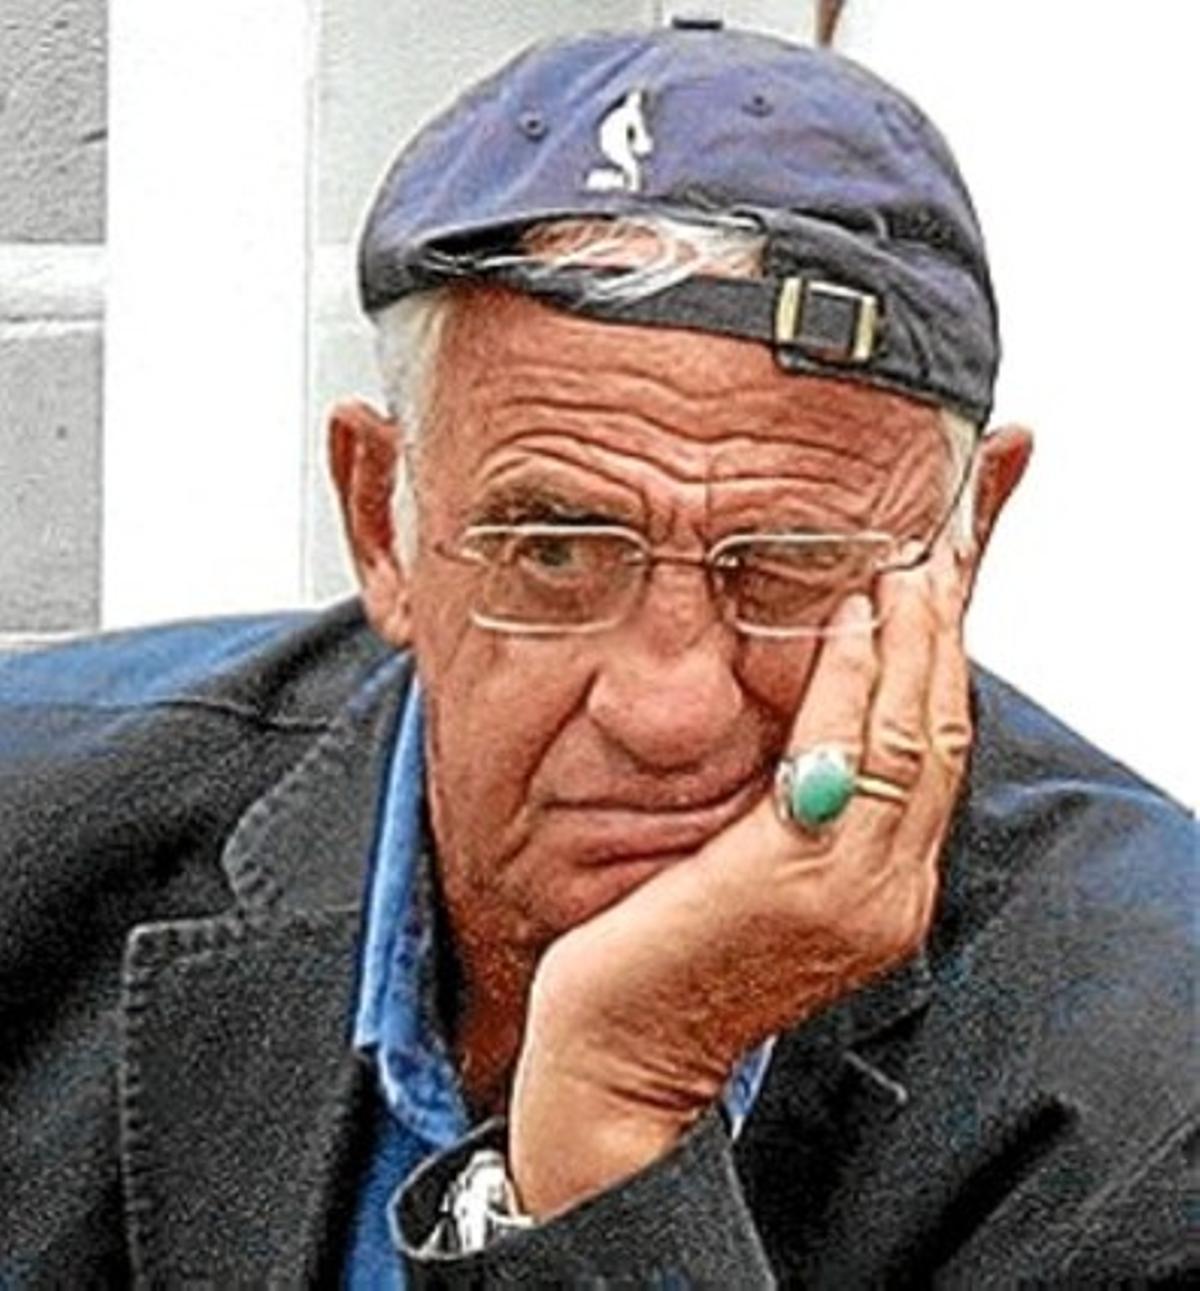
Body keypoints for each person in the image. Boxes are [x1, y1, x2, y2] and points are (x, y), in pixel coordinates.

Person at [1, 22, 1193, 1288]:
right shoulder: (34, 832)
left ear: (966, 537)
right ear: (382, 521)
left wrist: (622, 1101)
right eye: (556, 552)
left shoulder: (1156, 1073)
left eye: (789, 562)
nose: (666, 708)